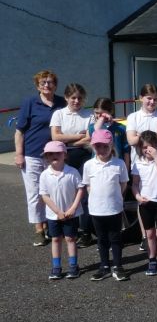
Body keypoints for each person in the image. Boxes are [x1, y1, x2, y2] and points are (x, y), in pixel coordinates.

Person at [15, 70, 66, 246]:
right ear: (38, 85)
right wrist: (19, 154)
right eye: (43, 82)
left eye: (50, 82)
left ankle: (53, 225)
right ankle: (39, 229)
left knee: (53, 191)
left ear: (55, 85)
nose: (47, 85)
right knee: (35, 193)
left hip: (54, 155)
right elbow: (19, 131)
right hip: (32, 155)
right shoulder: (30, 102)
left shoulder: (61, 102)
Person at [82, 129, 130, 281]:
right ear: (93, 147)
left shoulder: (119, 163)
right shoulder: (89, 165)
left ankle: (117, 266)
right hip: (96, 209)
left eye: (105, 146)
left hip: (114, 208)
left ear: (111, 145)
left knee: (115, 238)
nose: (102, 150)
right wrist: (97, 199)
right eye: (98, 147)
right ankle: (104, 266)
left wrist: (115, 198)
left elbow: (123, 184)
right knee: (102, 239)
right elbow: (88, 186)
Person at [49, 83, 92, 248]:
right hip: (63, 156)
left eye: (80, 98)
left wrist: (67, 138)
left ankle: (86, 231)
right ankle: (67, 229)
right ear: (66, 97)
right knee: (65, 194)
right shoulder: (58, 114)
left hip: (83, 156)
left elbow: (89, 138)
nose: (76, 101)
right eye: (73, 97)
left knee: (85, 195)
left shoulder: (88, 115)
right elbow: (55, 137)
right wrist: (76, 137)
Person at [39, 141, 84, 280]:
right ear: (46, 157)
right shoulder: (45, 175)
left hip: (71, 213)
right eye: (50, 154)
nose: (54, 156)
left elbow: (80, 190)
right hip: (53, 215)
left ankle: (73, 266)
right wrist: (57, 211)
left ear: (65, 155)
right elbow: (44, 195)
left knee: (70, 238)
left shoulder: (72, 172)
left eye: (57, 153)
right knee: (56, 239)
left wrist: (73, 208)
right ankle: (56, 267)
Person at [131, 131, 157, 276]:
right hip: (145, 203)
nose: (148, 150)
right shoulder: (138, 162)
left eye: (151, 147)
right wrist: (138, 197)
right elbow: (134, 184)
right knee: (150, 234)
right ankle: (152, 259)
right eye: (145, 147)